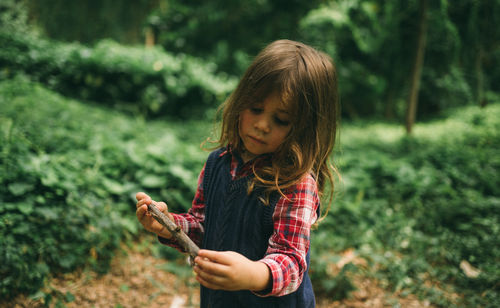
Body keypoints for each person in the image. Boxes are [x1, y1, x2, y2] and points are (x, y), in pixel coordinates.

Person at [136, 39, 339, 308]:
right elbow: (203, 226)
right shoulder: (218, 163)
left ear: (303, 129)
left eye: (280, 120)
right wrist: (170, 226)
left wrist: (254, 274)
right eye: (255, 108)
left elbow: (291, 261)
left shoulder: (295, 183)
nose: (262, 125)